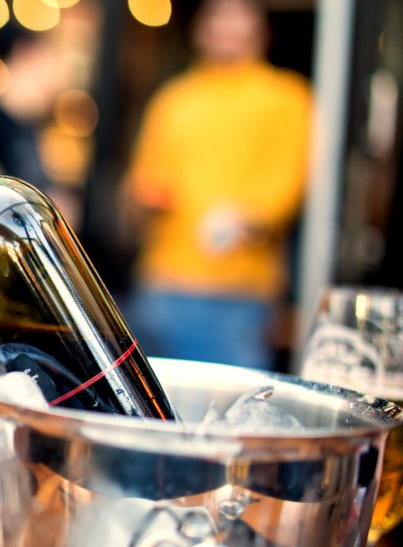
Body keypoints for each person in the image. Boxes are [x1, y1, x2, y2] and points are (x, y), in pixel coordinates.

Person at [124, 0, 312, 370]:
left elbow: (285, 182)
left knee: (232, 415)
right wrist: (143, 197)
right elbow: (146, 177)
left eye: (237, 16)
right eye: (217, 16)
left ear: (260, 29)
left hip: (239, 291)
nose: (226, 27)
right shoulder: (174, 99)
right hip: (164, 282)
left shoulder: (287, 98)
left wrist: (246, 218)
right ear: (200, 30)